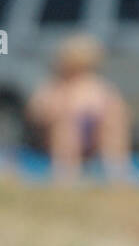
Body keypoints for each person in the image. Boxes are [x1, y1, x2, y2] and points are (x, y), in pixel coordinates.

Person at [26, 34, 132, 184]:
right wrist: (60, 108)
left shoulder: (99, 87)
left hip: (94, 140)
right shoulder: (54, 86)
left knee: (113, 116)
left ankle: (114, 168)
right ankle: (66, 172)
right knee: (66, 121)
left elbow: (120, 111)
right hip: (55, 142)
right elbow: (37, 113)